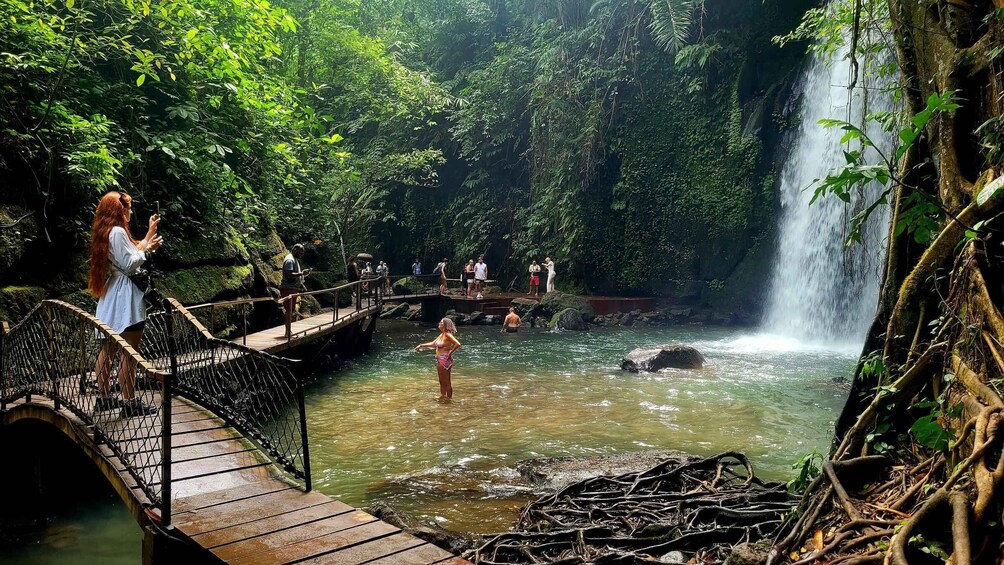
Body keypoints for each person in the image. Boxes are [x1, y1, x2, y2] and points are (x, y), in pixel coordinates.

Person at [87, 191, 163, 418]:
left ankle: (104, 398)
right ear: (118, 210)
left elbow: (128, 255)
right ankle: (129, 402)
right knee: (130, 352)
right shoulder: (118, 231)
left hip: (112, 296)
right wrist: (149, 250)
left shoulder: (106, 232)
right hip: (126, 299)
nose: (130, 212)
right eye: (127, 208)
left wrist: (149, 233)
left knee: (108, 348)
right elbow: (131, 263)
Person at [414, 317, 461, 400]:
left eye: (441, 322)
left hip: (445, 359)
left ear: (445, 325)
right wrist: (421, 345)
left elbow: (457, 344)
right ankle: (443, 396)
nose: (439, 323)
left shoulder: (447, 334)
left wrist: (450, 353)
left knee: (447, 381)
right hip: (439, 360)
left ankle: (449, 399)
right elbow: (433, 344)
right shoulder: (442, 334)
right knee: (441, 381)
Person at [279, 244, 312, 327]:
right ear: (295, 249)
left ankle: (289, 331)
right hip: (288, 288)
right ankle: (287, 332)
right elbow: (289, 274)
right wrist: (301, 273)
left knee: (291, 309)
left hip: (292, 288)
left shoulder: (294, 259)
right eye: (300, 252)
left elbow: (295, 274)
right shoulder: (290, 260)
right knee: (289, 310)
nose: (301, 255)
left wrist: (303, 274)